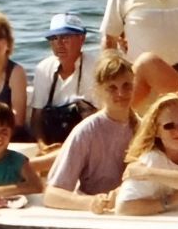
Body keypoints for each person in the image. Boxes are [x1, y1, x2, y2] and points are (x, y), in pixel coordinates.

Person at [44, 51, 142, 213]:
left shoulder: (142, 127)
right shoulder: (86, 132)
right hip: (98, 213)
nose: (121, 93)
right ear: (99, 90)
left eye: (127, 86)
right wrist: (91, 202)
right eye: (112, 88)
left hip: (134, 209)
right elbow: (52, 195)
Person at [29, 11, 97, 148]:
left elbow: (104, 116)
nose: (59, 44)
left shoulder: (96, 68)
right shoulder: (43, 69)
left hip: (88, 143)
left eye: (65, 37)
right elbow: (36, 117)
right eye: (54, 38)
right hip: (53, 143)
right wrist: (43, 147)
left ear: (82, 39)